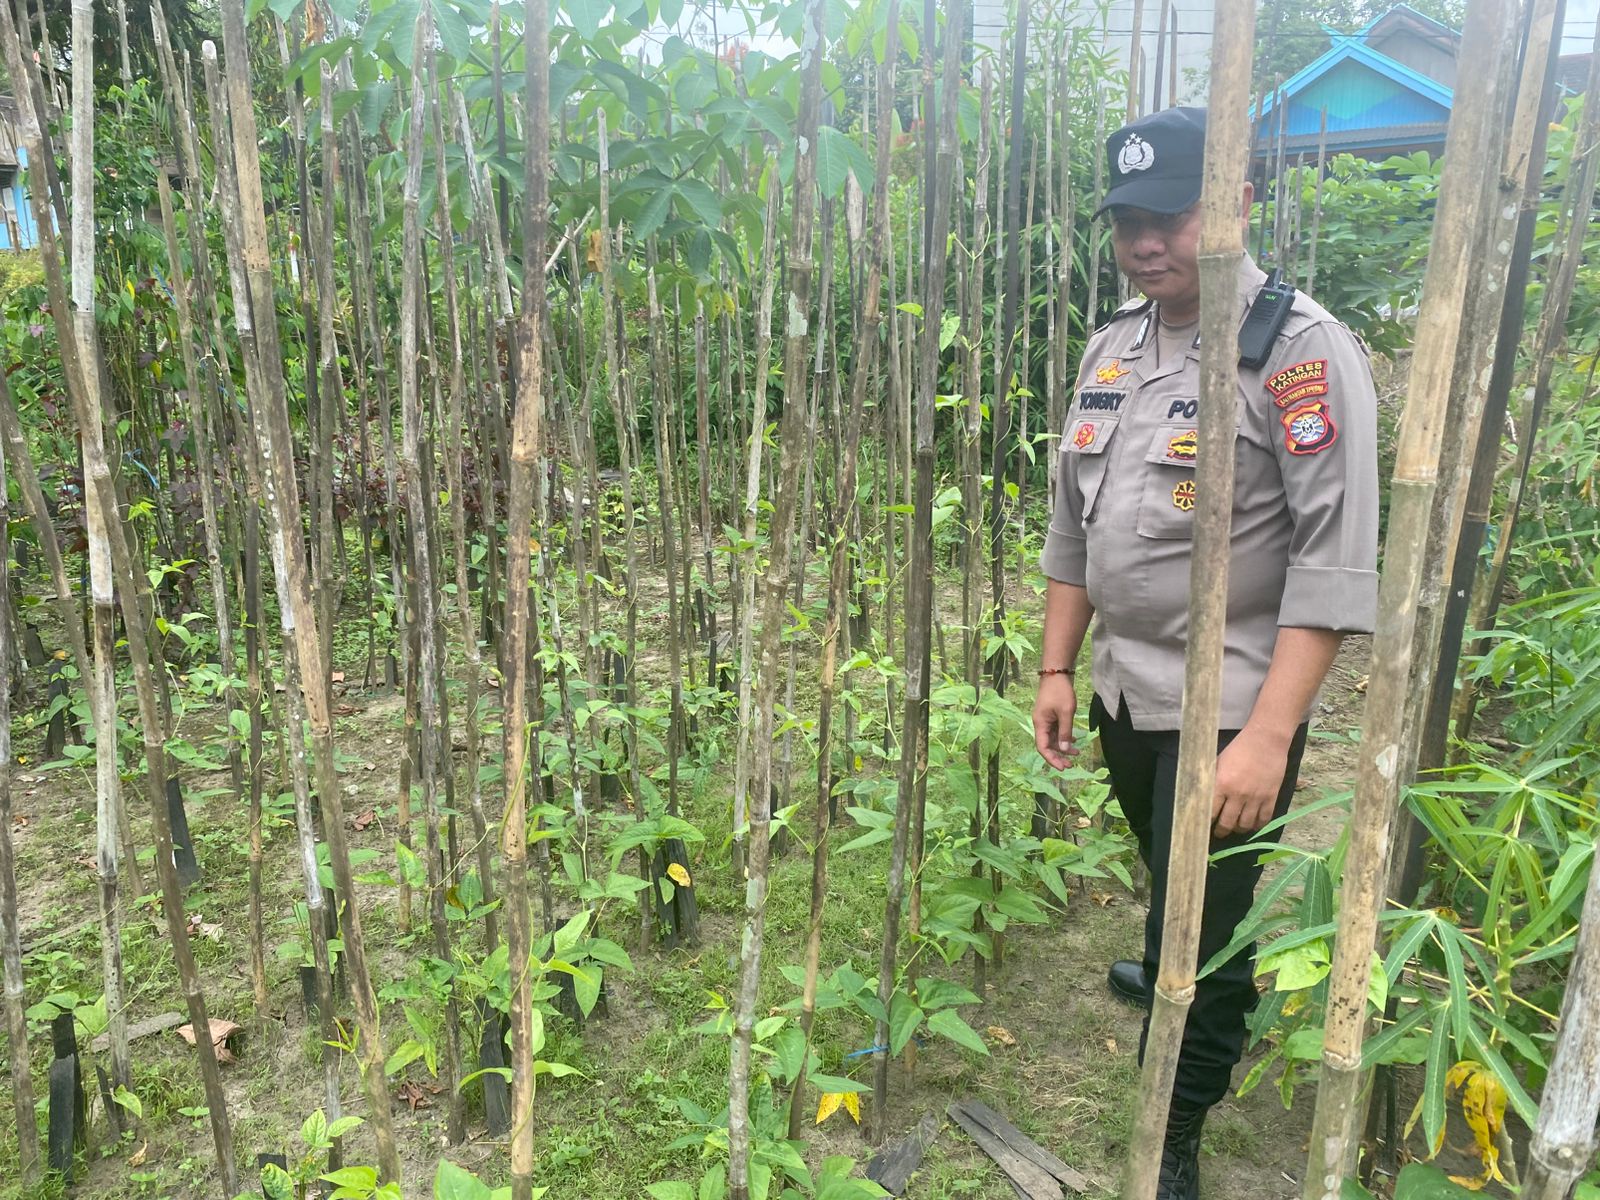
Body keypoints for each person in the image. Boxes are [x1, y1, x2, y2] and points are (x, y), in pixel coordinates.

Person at [1031, 106, 1379, 1199]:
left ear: (1234, 203)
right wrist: (1053, 666)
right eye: (1130, 219)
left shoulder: (1297, 351)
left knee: (1211, 921)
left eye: (1171, 215)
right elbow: (1072, 529)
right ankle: (1168, 959)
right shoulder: (1113, 346)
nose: (1147, 241)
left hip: (1229, 702)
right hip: (1125, 692)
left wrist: (1269, 738)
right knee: (1167, 873)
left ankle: (1174, 1124)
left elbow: (1332, 561)